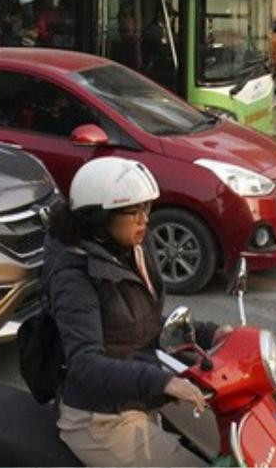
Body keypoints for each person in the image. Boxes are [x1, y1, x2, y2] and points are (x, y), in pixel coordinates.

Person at [45, 156, 226, 467]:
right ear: (99, 219)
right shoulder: (74, 275)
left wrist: (211, 333)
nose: (145, 219)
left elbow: (144, 322)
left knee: (225, 434)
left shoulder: (130, 250)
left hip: (135, 397)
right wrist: (161, 382)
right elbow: (84, 363)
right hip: (99, 418)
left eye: (147, 208)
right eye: (134, 211)